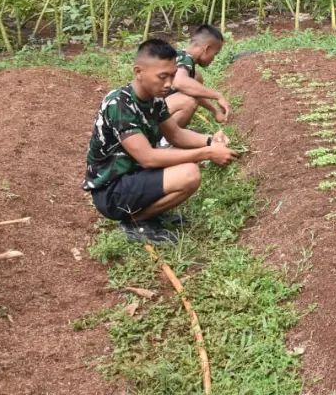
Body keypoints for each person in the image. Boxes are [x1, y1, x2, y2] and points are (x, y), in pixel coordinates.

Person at [83, 39, 238, 244]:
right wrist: (207, 154)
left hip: (134, 175)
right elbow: (148, 158)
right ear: (138, 72)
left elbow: (176, 135)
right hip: (112, 190)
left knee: (184, 159)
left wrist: (210, 142)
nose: (169, 84)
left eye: (172, 75)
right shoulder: (119, 104)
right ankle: (134, 221)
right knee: (189, 173)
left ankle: (147, 211)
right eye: (162, 76)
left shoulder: (154, 100)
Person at [164, 24, 232, 128]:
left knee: (196, 79)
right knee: (188, 102)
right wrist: (218, 95)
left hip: (150, 111)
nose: (214, 59)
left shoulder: (179, 57)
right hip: (143, 115)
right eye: (215, 54)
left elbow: (192, 90)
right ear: (207, 49)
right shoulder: (185, 59)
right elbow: (180, 82)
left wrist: (215, 111)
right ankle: (164, 141)